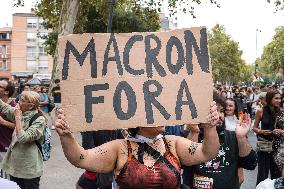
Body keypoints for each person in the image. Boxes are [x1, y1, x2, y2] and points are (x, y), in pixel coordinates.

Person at [55, 101, 221, 188]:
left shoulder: (172, 143)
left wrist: (210, 127)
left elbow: (208, 153)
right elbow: (81, 158)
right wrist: (66, 135)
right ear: (138, 121)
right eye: (154, 114)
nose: (162, 116)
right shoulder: (119, 148)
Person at [182, 93, 257, 189]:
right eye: (214, 111)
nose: (219, 115)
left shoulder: (233, 137)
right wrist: (194, 131)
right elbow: (186, 162)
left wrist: (242, 138)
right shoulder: (188, 135)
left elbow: (251, 164)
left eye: (221, 111)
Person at [0, 91, 46, 189]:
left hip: (29, 168)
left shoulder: (39, 119)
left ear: (30, 105)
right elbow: (4, 107)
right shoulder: (20, 112)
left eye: (22, 100)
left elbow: (23, 138)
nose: (18, 101)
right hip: (15, 165)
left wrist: (17, 117)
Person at [253, 90, 283, 185]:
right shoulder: (260, 111)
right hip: (264, 144)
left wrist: (282, 131)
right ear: (270, 99)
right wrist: (261, 131)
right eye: (276, 98)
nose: (279, 100)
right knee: (262, 173)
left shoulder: (282, 112)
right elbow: (254, 128)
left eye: (280, 98)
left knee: (277, 173)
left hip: (278, 146)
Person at [0, 80, 16, 178]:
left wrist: (3, 122)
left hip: (5, 147)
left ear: (6, 92)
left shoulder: (14, 106)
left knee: (5, 177)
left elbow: (20, 126)